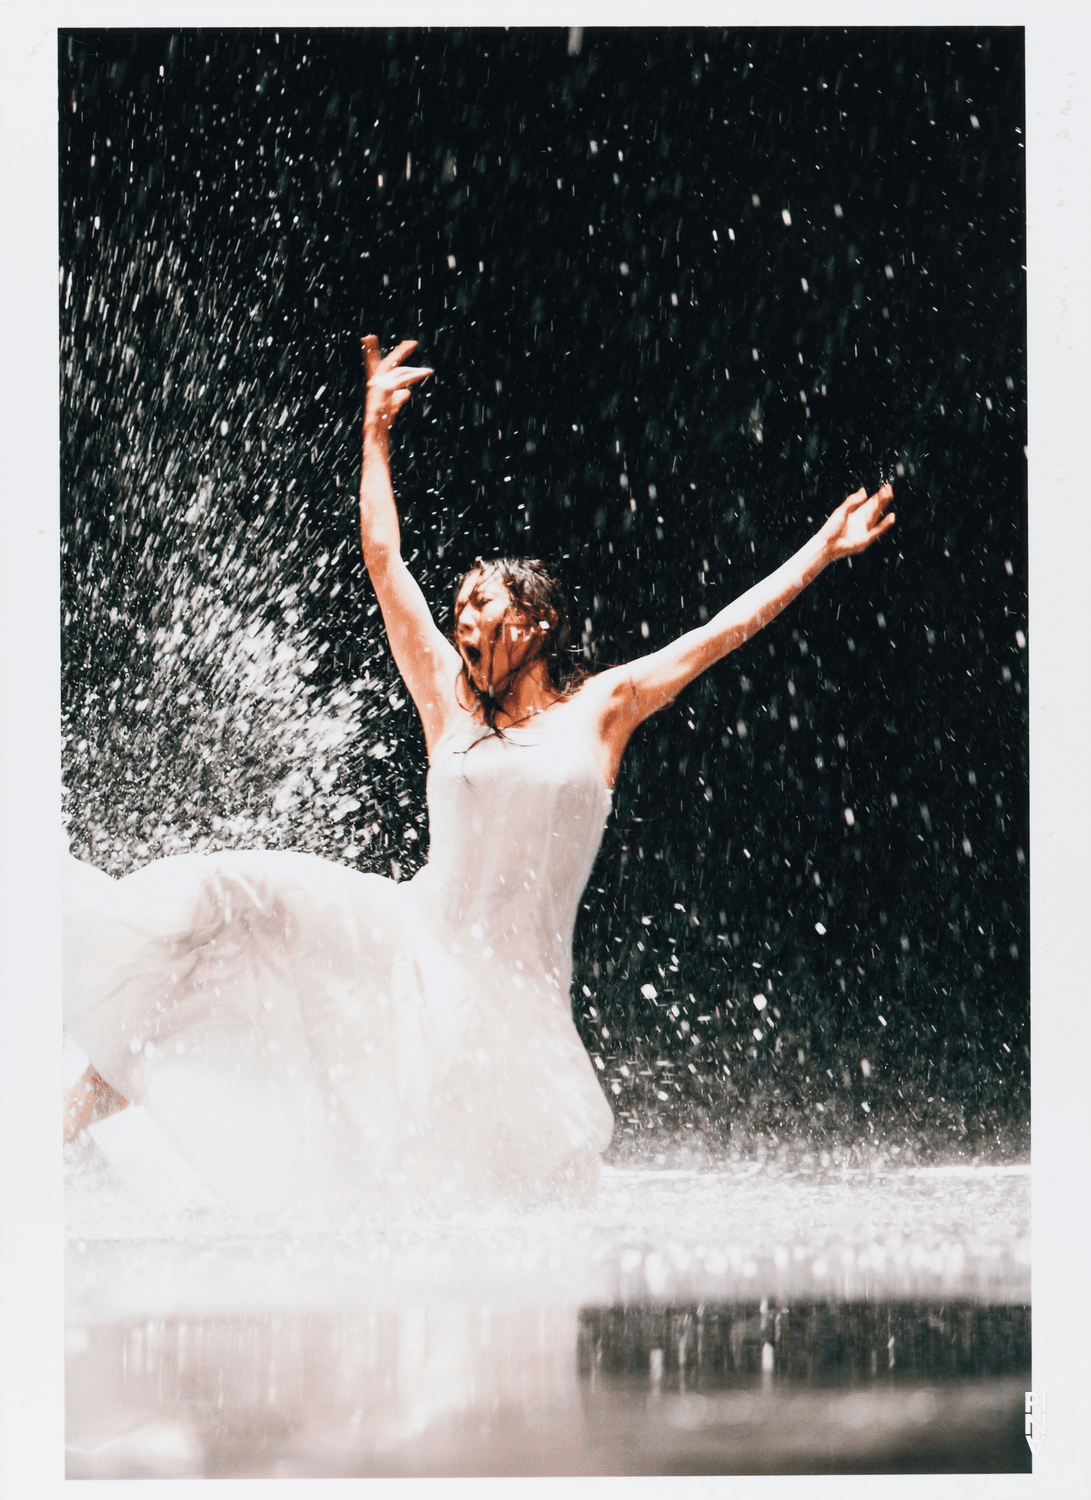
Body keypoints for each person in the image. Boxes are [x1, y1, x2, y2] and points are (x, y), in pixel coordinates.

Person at [62, 336, 894, 1213]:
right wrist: (374, 433)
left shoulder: (600, 710)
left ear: (534, 622)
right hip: (413, 937)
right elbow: (384, 561)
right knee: (232, 904)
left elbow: (719, 633)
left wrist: (818, 553)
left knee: (516, 1199)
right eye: (458, 609)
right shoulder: (446, 702)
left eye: (481, 606)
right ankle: (56, 1120)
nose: (462, 620)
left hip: (517, 994)